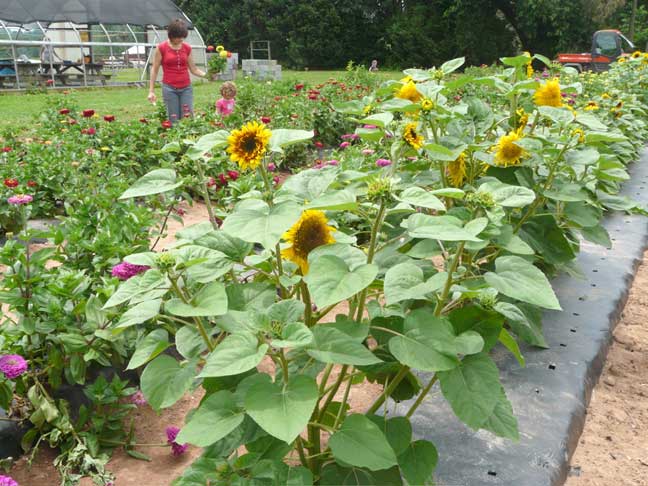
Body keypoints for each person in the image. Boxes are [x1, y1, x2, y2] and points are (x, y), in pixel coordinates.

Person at [148, 19, 206, 124]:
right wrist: (151, 91)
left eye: (183, 37)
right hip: (169, 89)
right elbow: (154, 70)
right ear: (171, 35)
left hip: (186, 89)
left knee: (188, 118)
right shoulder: (161, 48)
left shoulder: (187, 48)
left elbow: (194, 69)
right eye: (178, 37)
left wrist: (207, 75)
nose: (181, 39)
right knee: (173, 119)